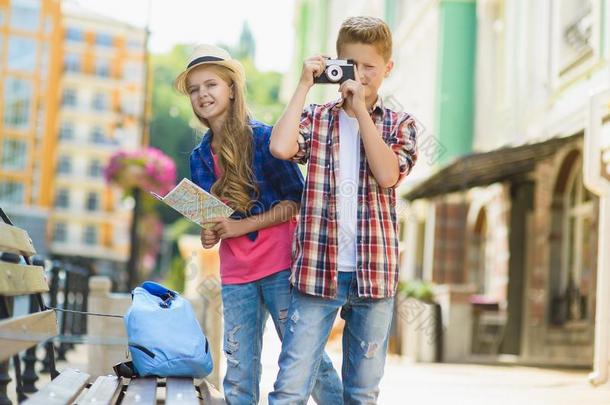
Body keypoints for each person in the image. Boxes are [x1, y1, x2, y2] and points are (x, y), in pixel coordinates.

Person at [176, 44, 342, 404]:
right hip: (236, 276)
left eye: (211, 85)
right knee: (238, 370)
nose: (202, 94)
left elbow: (295, 201)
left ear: (232, 88)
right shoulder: (199, 156)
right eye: (194, 89)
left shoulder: (266, 139)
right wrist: (210, 232)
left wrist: (243, 226)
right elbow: (214, 223)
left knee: (306, 362)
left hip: (281, 268)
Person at [268, 16, 419, 403]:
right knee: (290, 386)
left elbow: (388, 175)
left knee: (362, 392)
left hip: (375, 274)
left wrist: (362, 115)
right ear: (337, 66)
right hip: (319, 269)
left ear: (388, 69)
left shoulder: (400, 124)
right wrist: (304, 84)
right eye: (352, 65)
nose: (361, 75)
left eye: (370, 67)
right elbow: (281, 148)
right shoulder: (318, 119)